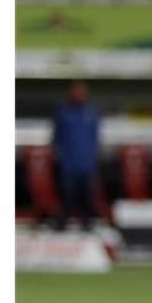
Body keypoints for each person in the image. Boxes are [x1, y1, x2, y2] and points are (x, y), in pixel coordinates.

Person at [52, 80, 100, 231]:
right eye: (75, 91)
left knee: (86, 193)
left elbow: (95, 136)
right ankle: (64, 220)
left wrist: (92, 155)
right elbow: (57, 135)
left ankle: (87, 222)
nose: (78, 94)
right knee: (67, 193)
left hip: (86, 160)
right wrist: (59, 154)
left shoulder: (91, 112)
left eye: (81, 91)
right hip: (68, 161)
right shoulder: (63, 111)